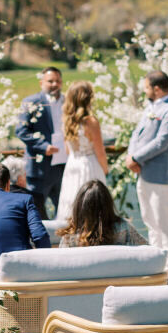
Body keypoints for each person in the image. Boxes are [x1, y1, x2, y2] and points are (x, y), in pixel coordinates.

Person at [125, 70, 168, 280]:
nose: (144, 91)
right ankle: (156, 261)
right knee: (149, 219)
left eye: (146, 88)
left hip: (161, 174)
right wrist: (131, 156)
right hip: (143, 172)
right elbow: (137, 134)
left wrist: (136, 158)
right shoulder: (151, 107)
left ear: (157, 89)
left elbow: (163, 142)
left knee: (164, 221)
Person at [15, 66, 67, 219]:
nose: (54, 84)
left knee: (65, 213)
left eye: (57, 81)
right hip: (39, 170)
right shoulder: (31, 102)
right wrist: (44, 146)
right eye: (50, 81)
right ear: (41, 83)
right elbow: (21, 131)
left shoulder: (68, 102)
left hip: (63, 167)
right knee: (35, 214)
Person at [55, 81, 109, 226]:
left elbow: (68, 150)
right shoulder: (90, 121)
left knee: (72, 203)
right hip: (90, 164)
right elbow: (100, 151)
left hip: (72, 164)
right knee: (94, 206)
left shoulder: (66, 120)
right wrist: (104, 170)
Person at [59, 180, 147, 248]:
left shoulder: (70, 238)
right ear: (108, 204)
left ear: (78, 207)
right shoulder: (124, 229)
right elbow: (147, 249)